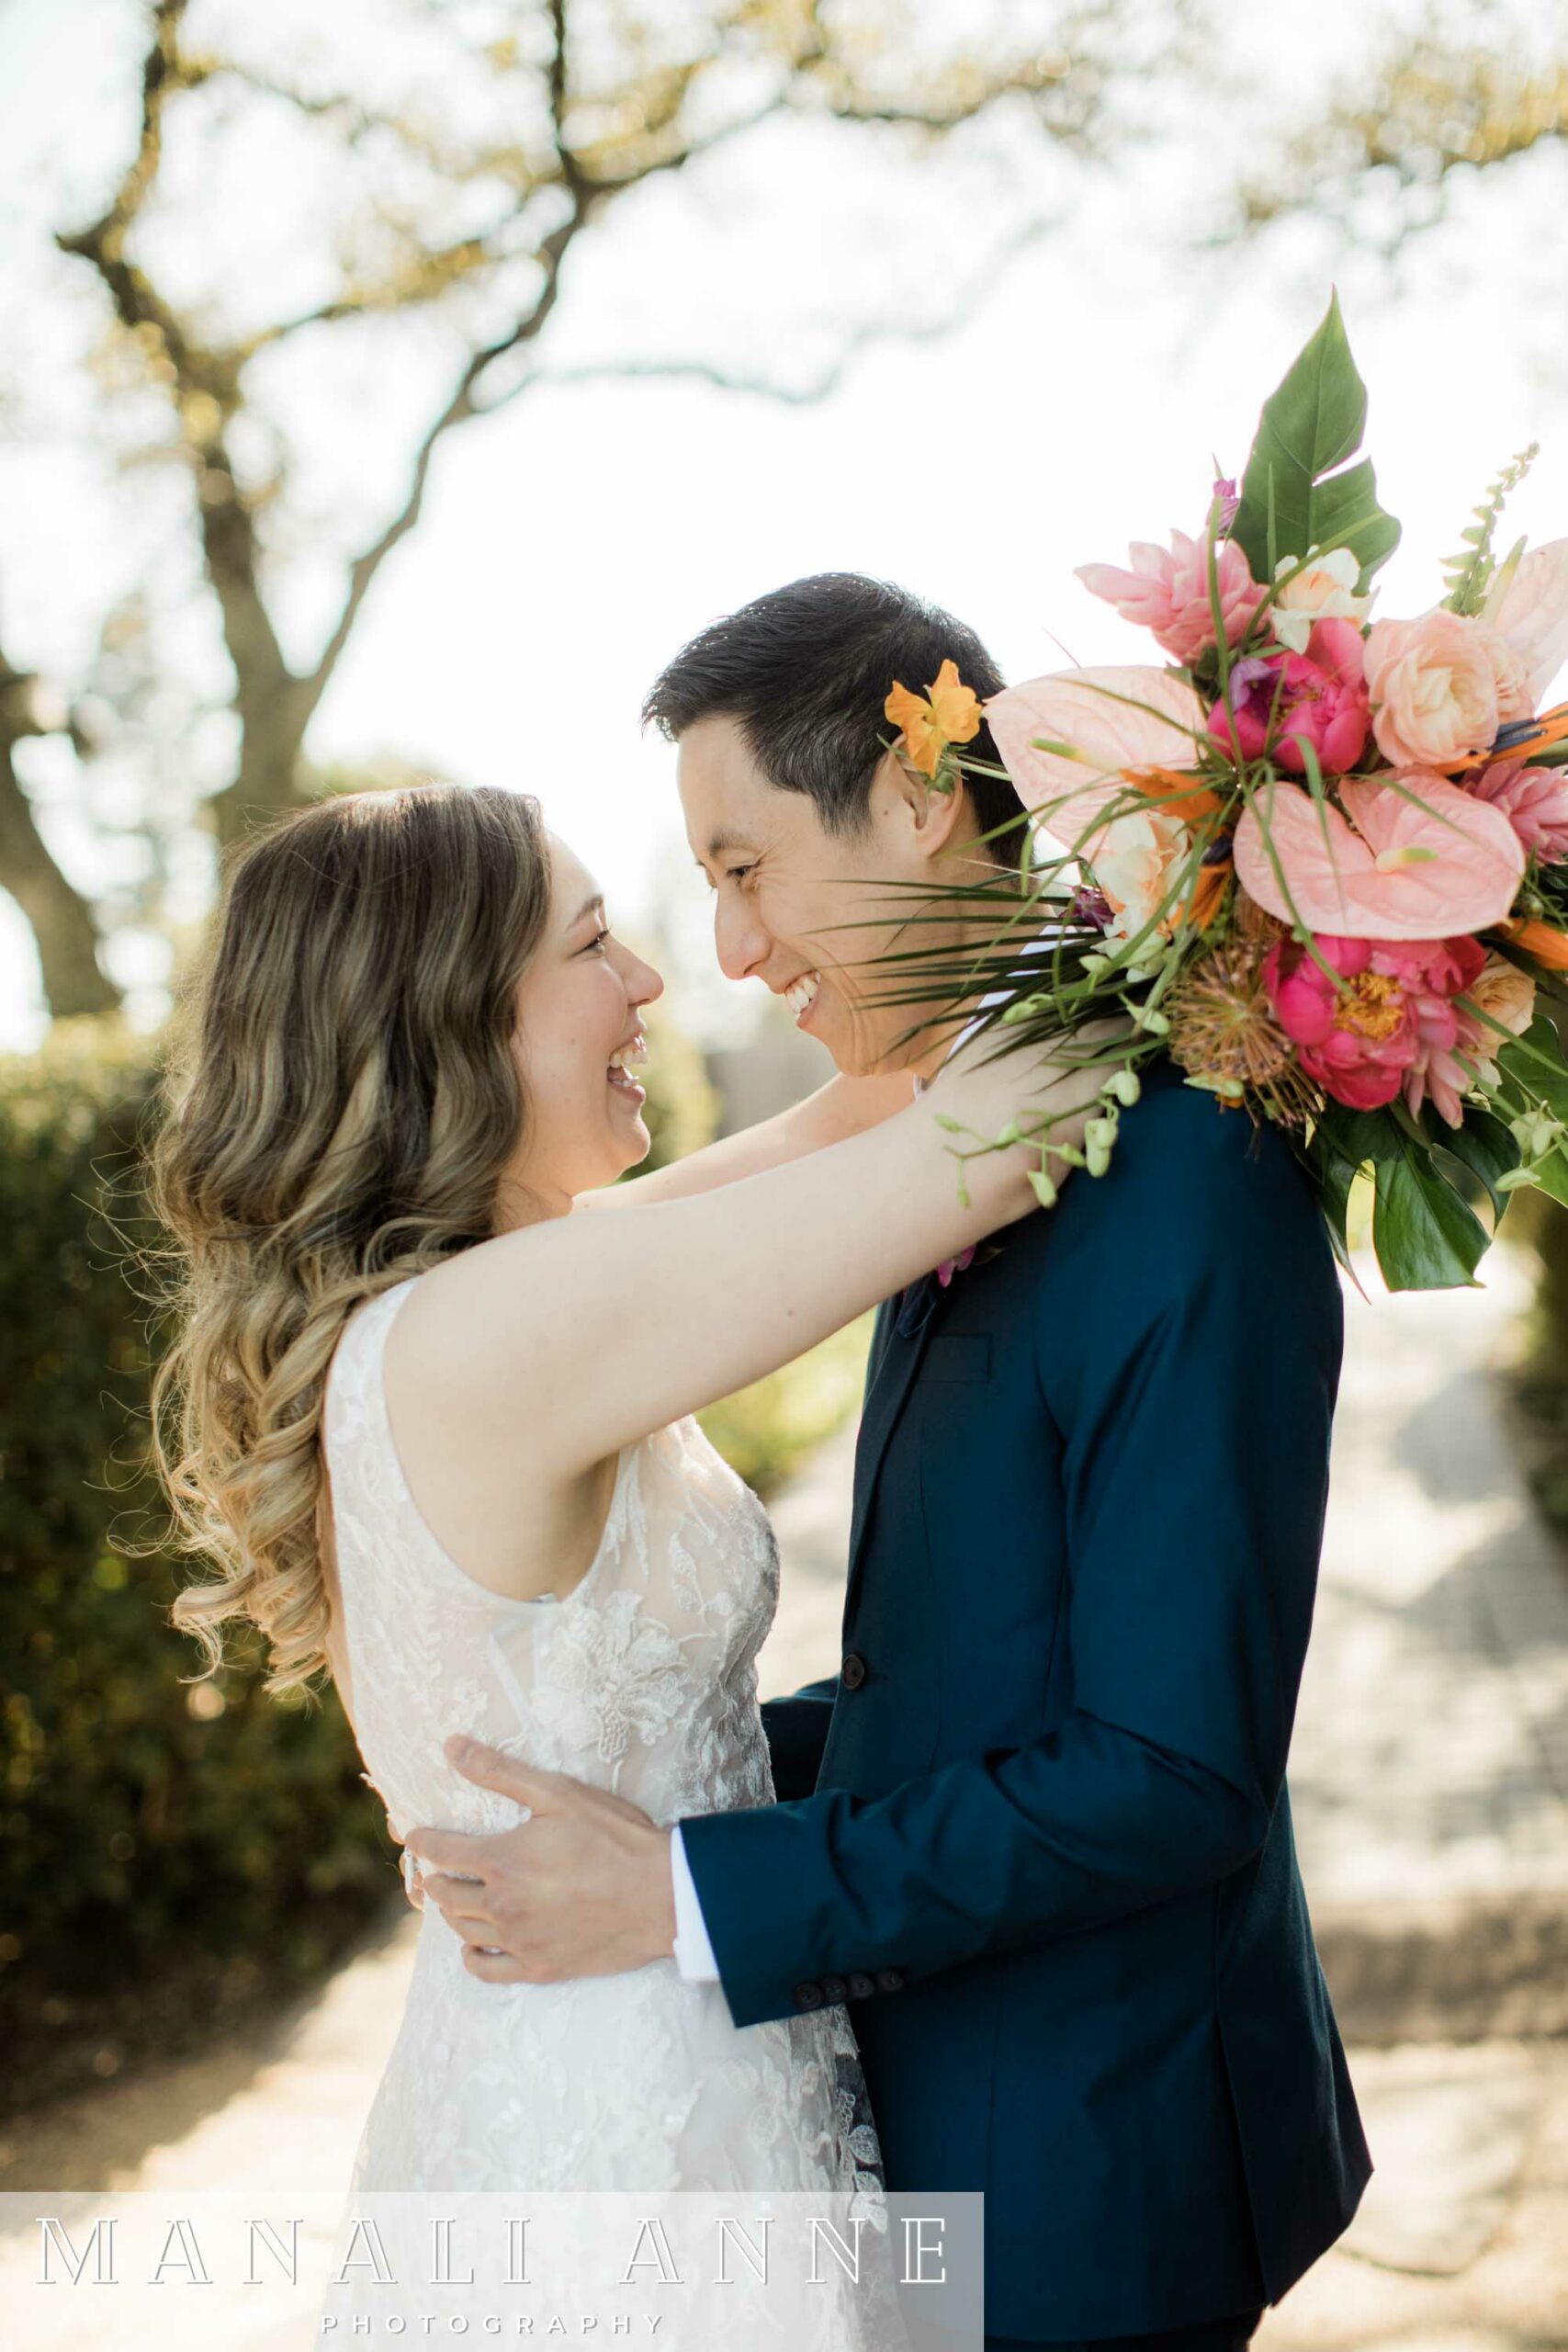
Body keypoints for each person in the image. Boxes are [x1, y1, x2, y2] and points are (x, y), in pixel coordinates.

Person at [412, 574, 1372, 2352]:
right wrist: (675, 1784)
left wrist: (691, 1890)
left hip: (1086, 2167)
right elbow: (971, 1670)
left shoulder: (1185, 1176)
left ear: (923, 794)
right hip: (915, 2121)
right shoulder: (966, 1137)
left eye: (744, 867)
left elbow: (1168, 1772)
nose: (736, 956)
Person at [151, 775, 1105, 2271]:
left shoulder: (506, 1295)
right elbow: (1000, 1128)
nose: (653, 978)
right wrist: (1226, 878)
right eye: (594, 944)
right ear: (452, 1021)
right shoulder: (498, 1333)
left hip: (616, 2057)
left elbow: (866, 1108)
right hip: (631, 2131)